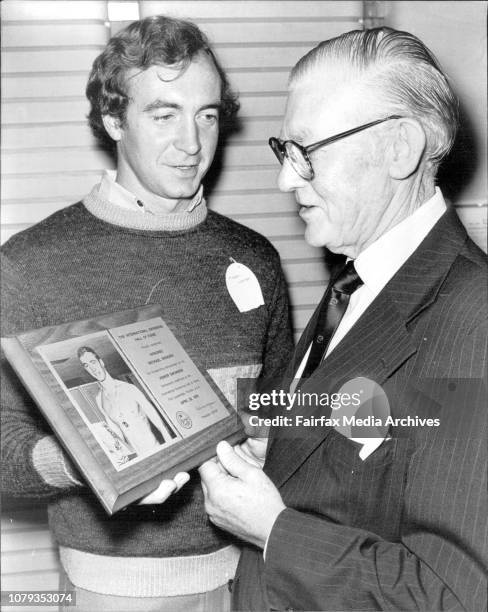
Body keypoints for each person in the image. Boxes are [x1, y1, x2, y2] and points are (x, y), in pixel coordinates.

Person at [1, 15, 293, 611]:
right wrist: (85, 459)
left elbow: (279, 401)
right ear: (113, 121)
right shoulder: (29, 264)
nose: (193, 143)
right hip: (115, 590)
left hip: (261, 573)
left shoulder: (255, 258)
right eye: (164, 115)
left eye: (207, 115)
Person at [199, 27, 488, 611]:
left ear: (399, 148)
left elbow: (452, 595)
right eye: (285, 151)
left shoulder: (473, 318)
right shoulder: (363, 274)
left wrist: (274, 530)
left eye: (307, 152)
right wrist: (276, 445)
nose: (286, 179)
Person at [77, 346, 171, 456]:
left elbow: (160, 424)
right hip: (137, 454)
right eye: (87, 366)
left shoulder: (129, 388)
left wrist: (171, 447)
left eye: (93, 362)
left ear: (101, 362)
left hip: (154, 448)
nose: (92, 368)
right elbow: (116, 431)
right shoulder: (99, 399)